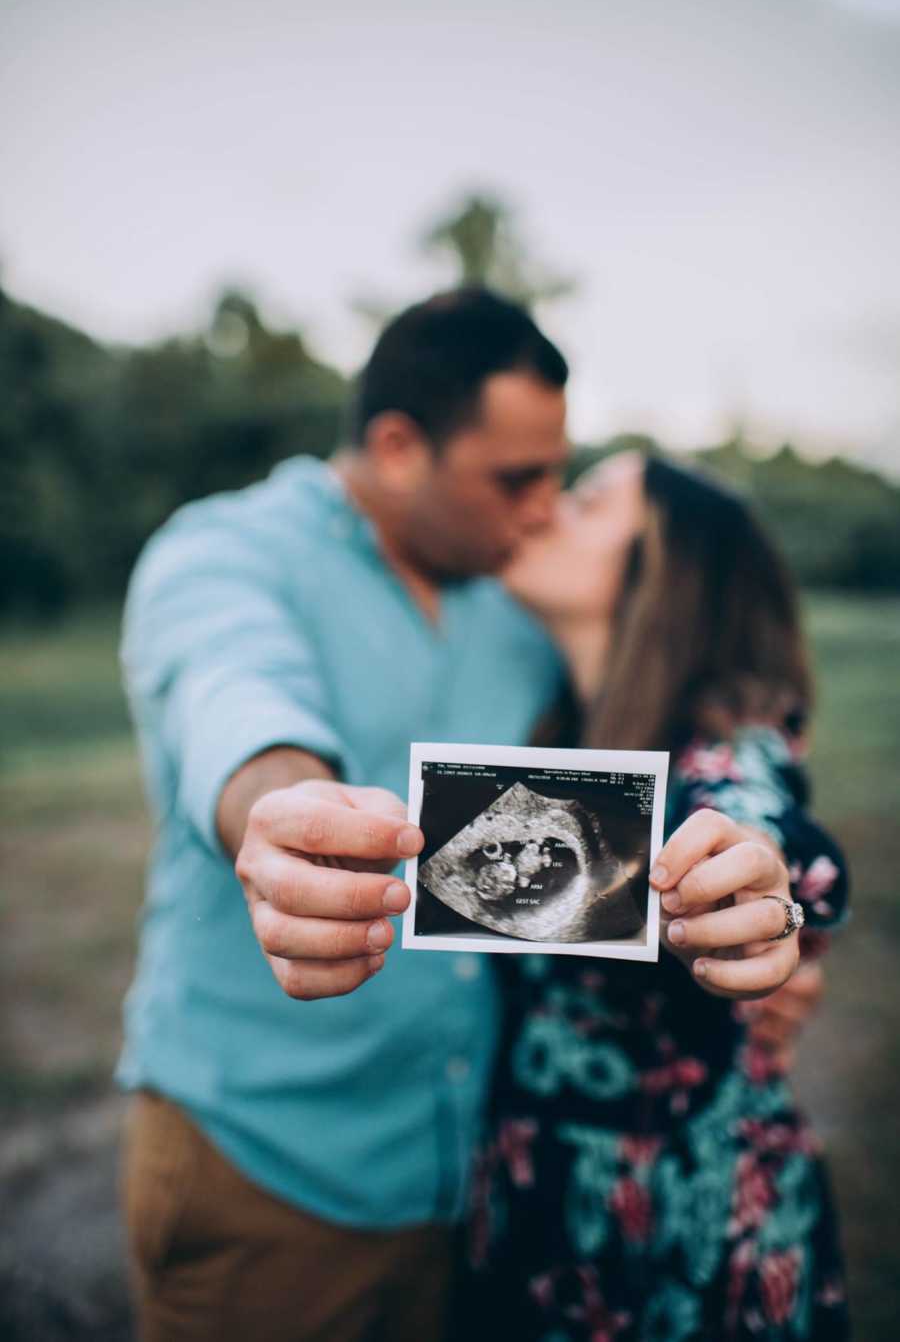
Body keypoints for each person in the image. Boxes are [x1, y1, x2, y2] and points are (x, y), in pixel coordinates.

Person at [119, 285, 815, 1342]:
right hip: (271, 1170)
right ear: (399, 447)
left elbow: (702, 779)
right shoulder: (224, 555)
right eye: (518, 478)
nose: (544, 506)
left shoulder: (520, 604)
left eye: (559, 476)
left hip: (478, 1194)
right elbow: (230, 694)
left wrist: (783, 917)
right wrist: (283, 805)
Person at [459, 452, 850, 1341]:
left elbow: (752, 813)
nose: (550, 508)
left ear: (666, 574)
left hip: (683, 1228)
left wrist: (754, 875)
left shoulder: (724, 740)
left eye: (590, 502)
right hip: (538, 1206)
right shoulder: (556, 736)